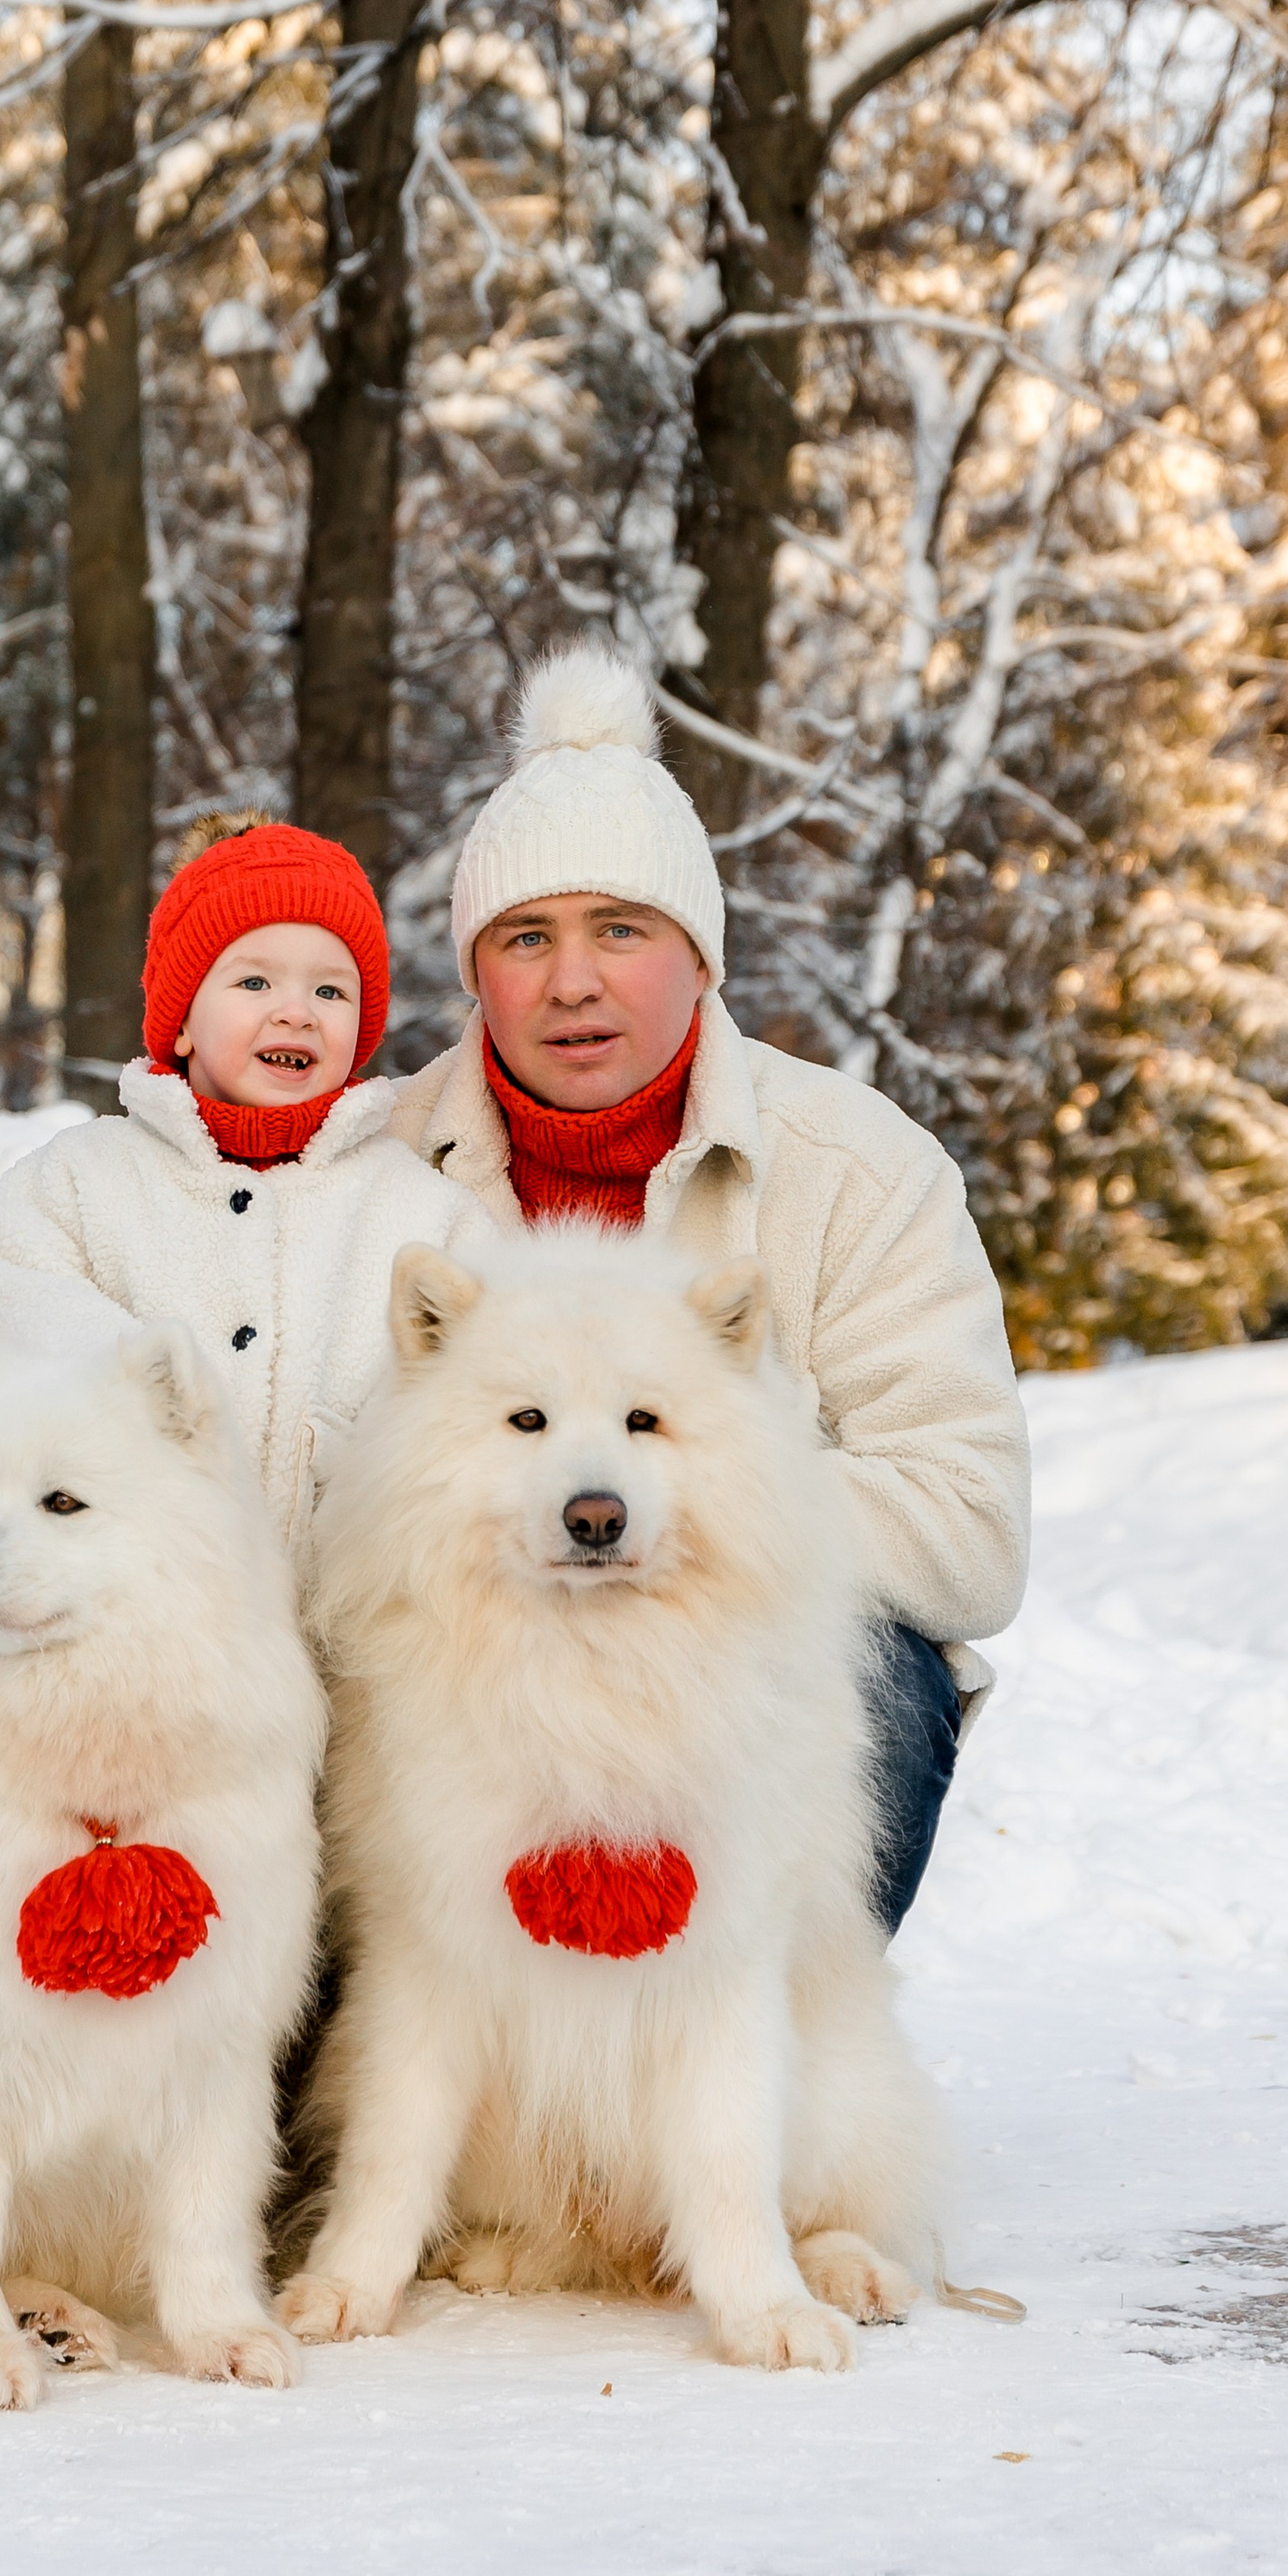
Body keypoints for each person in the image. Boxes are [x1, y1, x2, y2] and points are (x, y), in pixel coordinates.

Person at [387, 642, 1031, 1935]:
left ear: (700, 958)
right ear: (477, 974)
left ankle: (739, 2063)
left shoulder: (858, 1169)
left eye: (619, 931)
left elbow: (969, 1533)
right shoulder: (381, 1170)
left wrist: (680, 1515)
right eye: (526, 938)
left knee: (884, 1662)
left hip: (753, 1711)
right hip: (464, 1700)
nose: (572, 982)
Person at [0, 815, 489, 1549]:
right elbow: (10, 1302)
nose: (296, 1011)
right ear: (180, 1023)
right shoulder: (80, 1183)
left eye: (331, 992)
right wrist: (149, 1401)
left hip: (336, 1638)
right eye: (254, 981)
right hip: (133, 1626)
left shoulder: (422, 1215)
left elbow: (483, 1391)